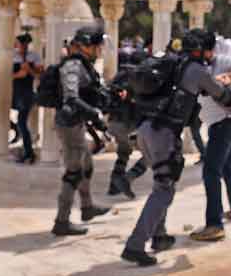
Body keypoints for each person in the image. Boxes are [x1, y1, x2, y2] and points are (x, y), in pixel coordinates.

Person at [121, 29, 231, 266]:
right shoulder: (196, 70)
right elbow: (220, 94)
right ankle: (135, 245)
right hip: (163, 133)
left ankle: (160, 236)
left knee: (162, 184)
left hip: (146, 129)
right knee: (164, 190)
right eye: (209, 49)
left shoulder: (171, 62)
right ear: (202, 49)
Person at [189, 42, 231, 242]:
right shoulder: (199, 67)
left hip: (225, 123)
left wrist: (229, 76)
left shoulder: (221, 60)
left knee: (211, 172)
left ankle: (214, 225)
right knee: (226, 166)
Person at [52, 25, 111, 235]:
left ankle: (87, 207)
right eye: (96, 46)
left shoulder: (84, 65)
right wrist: (94, 114)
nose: (99, 50)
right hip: (69, 126)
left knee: (87, 165)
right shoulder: (73, 67)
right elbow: (71, 98)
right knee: (74, 173)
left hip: (77, 123)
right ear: (86, 46)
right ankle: (61, 222)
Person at [106, 50, 147, 199]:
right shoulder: (139, 77)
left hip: (114, 123)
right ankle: (126, 179)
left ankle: (113, 185)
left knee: (123, 152)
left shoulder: (119, 75)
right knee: (151, 155)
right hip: (129, 125)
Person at [12, 33, 42, 164]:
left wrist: (29, 70)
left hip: (27, 93)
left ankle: (28, 152)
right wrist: (18, 74)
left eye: (24, 44)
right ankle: (16, 132)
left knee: (22, 122)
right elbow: (5, 74)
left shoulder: (33, 56)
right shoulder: (13, 56)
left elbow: (39, 75)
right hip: (14, 93)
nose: (22, 47)